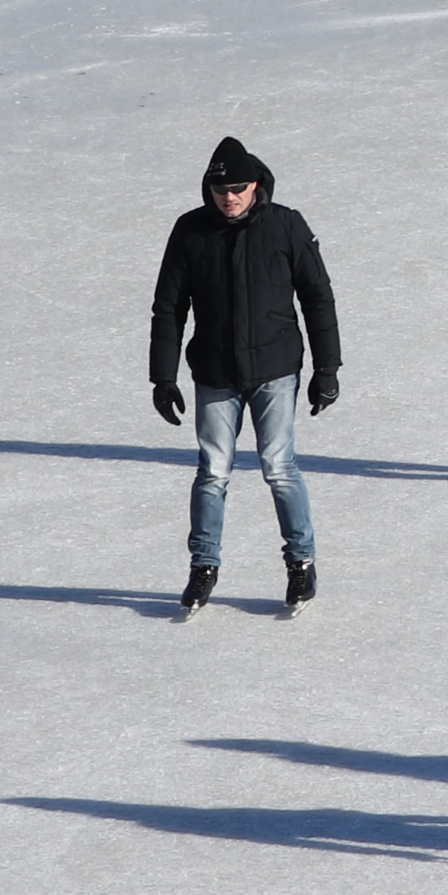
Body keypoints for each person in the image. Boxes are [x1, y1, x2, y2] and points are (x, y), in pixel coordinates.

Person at [149, 137, 341, 614]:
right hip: (215, 373)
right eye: (219, 189)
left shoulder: (285, 226)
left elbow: (318, 297)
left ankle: (301, 564)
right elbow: (169, 307)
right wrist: (163, 376)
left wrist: (327, 368)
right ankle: (203, 567)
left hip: (275, 371)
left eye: (237, 187)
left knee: (278, 468)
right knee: (212, 472)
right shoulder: (190, 232)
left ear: (256, 184)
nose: (228, 197)